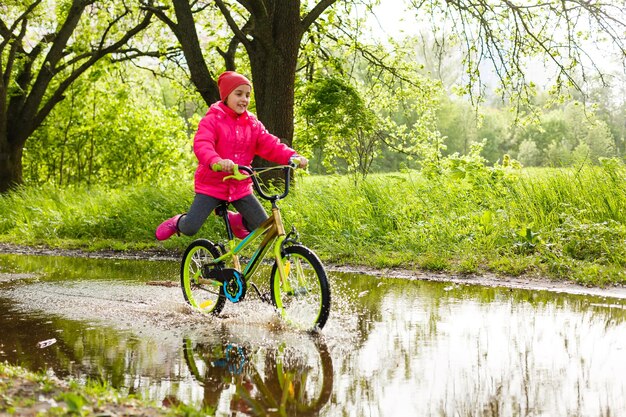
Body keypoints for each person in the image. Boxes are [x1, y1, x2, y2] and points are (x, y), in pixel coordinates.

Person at [155, 71, 307, 241]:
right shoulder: (212, 119)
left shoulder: (252, 123)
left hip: (239, 185)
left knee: (263, 225)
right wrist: (216, 161)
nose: (244, 99)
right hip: (212, 184)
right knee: (191, 227)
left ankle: (238, 222)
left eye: (248, 95)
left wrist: (291, 156)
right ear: (226, 95)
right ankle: (177, 222)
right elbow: (202, 144)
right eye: (239, 94)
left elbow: (270, 144)